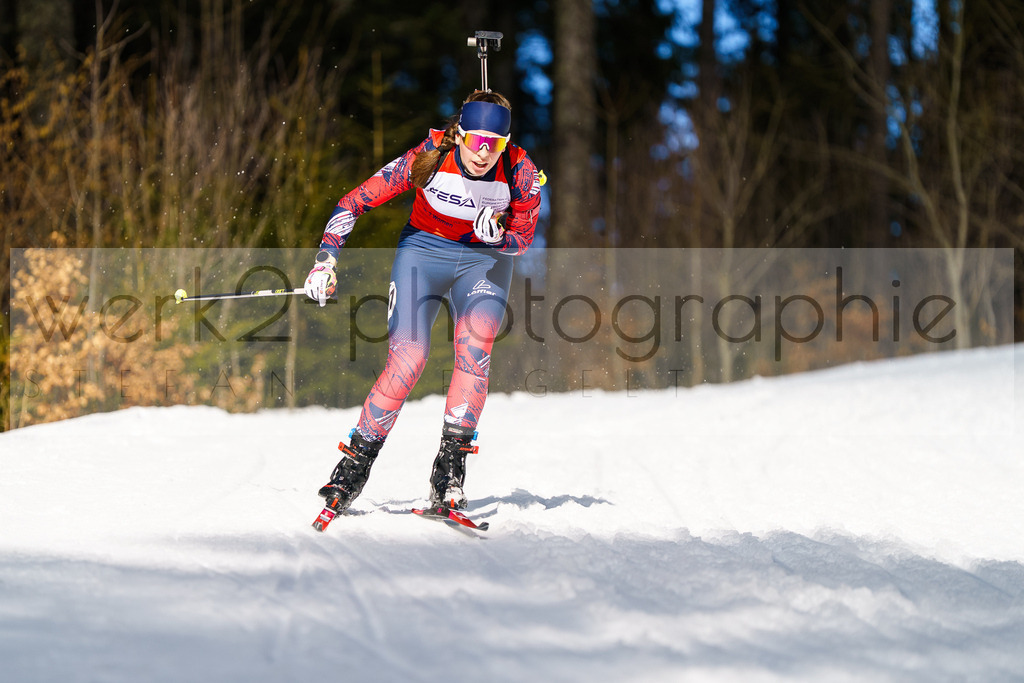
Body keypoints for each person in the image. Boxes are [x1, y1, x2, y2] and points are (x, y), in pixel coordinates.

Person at [304, 90, 542, 515]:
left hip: (484, 263)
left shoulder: (521, 171)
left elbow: (523, 239)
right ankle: (355, 464)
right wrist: (326, 260)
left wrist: (498, 238)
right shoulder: (430, 155)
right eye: (475, 142)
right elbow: (352, 202)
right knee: (409, 357)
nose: (484, 154)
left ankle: (449, 471)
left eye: (496, 144)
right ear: (460, 134)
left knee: (476, 346)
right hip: (423, 253)